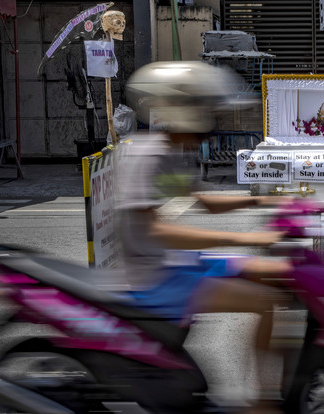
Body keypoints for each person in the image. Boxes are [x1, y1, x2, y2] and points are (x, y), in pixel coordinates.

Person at [118, 61, 289, 412]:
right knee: (265, 302)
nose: (214, 121)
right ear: (185, 111)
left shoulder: (175, 151)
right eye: (208, 111)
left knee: (281, 276)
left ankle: (283, 385)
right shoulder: (147, 155)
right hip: (155, 277)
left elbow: (203, 201)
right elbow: (156, 230)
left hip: (179, 265)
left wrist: (262, 199)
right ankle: (263, 402)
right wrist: (247, 240)